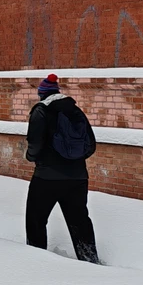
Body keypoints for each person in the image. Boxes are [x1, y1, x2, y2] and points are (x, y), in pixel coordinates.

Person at [24, 73, 100, 263]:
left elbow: (35, 143)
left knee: (36, 219)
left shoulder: (41, 111)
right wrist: (74, 160)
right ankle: (90, 259)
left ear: (42, 94)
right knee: (79, 220)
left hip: (46, 177)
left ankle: (35, 258)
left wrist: (32, 157)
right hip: (77, 177)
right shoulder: (75, 111)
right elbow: (90, 145)